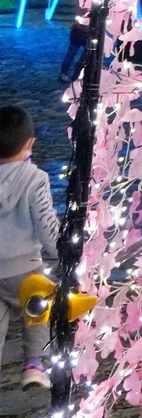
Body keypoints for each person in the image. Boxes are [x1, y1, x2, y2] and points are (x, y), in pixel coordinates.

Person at [0, 105, 59, 391]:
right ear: (30, 144)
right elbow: (46, 227)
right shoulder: (35, 179)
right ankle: (34, 365)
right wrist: (64, 254)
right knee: (39, 304)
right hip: (25, 269)